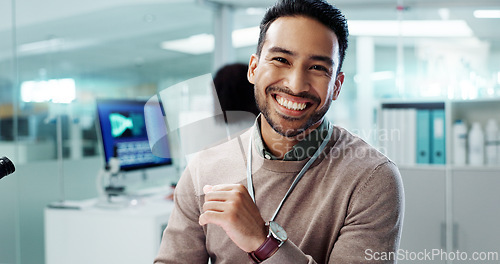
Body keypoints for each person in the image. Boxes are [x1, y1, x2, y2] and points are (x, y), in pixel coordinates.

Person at [155, 0, 404, 263]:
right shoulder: (204, 168)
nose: (296, 85)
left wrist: (263, 243)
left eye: (318, 68)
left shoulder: (371, 178)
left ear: (337, 86)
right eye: (281, 59)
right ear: (254, 68)